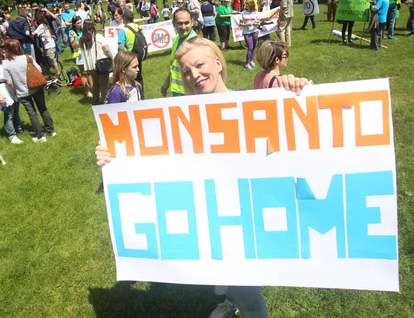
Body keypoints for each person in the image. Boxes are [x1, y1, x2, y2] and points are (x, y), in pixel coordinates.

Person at [95, 37, 309, 318]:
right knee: (227, 284)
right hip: (208, 222)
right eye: (186, 71)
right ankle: (228, 298)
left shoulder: (249, 105)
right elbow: (154, 158)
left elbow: (292, 143)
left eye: (199, 65)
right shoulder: (178, 118)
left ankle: (239, 301)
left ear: (219, 63)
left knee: (250, 300)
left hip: (243, 221)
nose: (194, 75)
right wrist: (114, 155)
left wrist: (296, 92)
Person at [2, 39, 56, 143]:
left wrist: (15, 92)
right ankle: (51, 130)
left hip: (22, 92)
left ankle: (40, 135)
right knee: (43, 108)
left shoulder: (6, 63)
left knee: (32, 113)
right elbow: (39, 69)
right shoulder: (27, 57)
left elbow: (9, 82)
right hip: (36, 87)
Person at [0, 39, 24, 144]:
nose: (4, 49)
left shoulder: (3, 59)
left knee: (16, 110)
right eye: (1, 47)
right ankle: (12, 135)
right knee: (9, 113)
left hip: (10, 86)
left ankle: (20, 129)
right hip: (1, 88)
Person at [161, 8, 198, 97]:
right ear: (173, 23)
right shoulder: (177, 38)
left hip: (190, 91)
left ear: (192, 22)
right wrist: (167, 83)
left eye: (186, 23)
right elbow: (174, 64)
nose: (184, 27)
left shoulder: (195, 43)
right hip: (177, 90)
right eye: (180, 23)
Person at [80, 20, 113, 105]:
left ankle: (95, 100)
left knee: (95, 84)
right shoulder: (98, 37)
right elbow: (107, 50)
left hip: (91, 65)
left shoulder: (82, 39)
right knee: (103, 84)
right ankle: (105, 100)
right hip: (101, 63)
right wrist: (112, 59)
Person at [118, 10, 145, 99]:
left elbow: (121, 47)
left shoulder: (124, 30)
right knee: (139, 76)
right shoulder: (138, 27)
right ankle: (141, 95)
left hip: (128, 58)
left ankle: (130, 96)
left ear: (124, 18)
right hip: (138, 56)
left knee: (128, 78)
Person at [69, 15, 92, 98]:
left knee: (90, 72)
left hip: (87, 53)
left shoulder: (84, 30)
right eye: (78, 23)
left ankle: (93, 89)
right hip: (79, 56)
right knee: (84, 73)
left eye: (80, 22)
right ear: (74, 24)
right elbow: (74, 45)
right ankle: (86, 90)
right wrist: (75, 38)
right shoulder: (72, 32)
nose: (80, 24)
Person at [32, 9, 61, 78]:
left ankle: (58, 72)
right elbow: (43, 34)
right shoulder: (45, 25)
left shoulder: (41, 26)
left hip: (49, 46)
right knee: (51, 59)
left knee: (52, 60)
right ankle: (53, 71)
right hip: (50, 44)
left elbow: (33, 34)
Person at [240, 0, 260, 70]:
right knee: (250, 47)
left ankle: (251, 60)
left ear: (251, 5)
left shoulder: (255, 13)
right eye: (245, 4)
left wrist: (256, 23)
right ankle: (247, 64)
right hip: (247, 32)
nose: (245, 5)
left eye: (247, 4)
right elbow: (240, 23)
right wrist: (246, 24)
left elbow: (259, 22)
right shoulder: (243, 13)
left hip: (255, 31)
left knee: (254, 46)